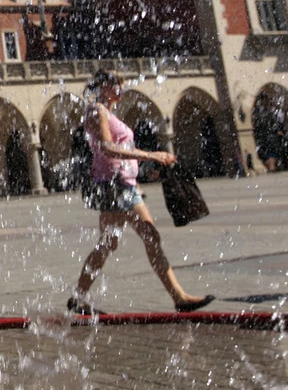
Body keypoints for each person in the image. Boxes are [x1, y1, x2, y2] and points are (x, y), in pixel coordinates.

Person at [69, 70, 215, 315]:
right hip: (116, 187)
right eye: (118, 84)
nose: (122, 89)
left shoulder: (105, 111)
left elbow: (121, 150)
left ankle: (78, 297)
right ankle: (178, 297)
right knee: (142, 237)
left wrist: (147, 167)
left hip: (122, 185)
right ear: (104, 85)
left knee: (112, 243)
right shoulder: (97, 111)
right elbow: (107, 148)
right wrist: (150, 155)